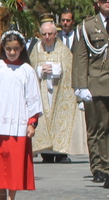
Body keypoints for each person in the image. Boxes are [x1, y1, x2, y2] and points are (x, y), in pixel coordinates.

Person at [0, 31, 42, 200]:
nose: (12, 52)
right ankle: (1, 193)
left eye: (15, 49)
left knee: (14, 163)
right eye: (8, 49)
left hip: (18, 123)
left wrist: (32, 122)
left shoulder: (27, 70)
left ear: (21, 48)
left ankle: (11, 199)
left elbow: (33, 98)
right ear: (3, 49)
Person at [30, 16, 81, 163]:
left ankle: (60, 152)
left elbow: (69, 69)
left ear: (55, 34)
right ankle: (46, 152)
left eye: (50, 34)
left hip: (58, 92)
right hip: (42, 91)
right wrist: (39, 70)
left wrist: (57, 69)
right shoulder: (36, 49)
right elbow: (31, 69)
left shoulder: (63, 50)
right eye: (44, 34)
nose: (47, 37)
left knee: (59, 118)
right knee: (43, 118)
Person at [73, 0, 109, 185]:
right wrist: (81, 87)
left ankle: (106, 165)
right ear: (97, 2)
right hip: (95, 83)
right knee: (96, 128)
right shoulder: (87, 26)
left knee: (107, 128)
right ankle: (98, 167)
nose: (108, 3)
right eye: (104, 0)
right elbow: (80, 58)